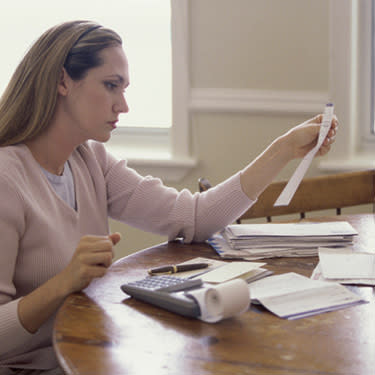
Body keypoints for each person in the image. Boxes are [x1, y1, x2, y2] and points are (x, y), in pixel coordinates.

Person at [0, 20, 337, 374]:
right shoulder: (7, 179)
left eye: (124, 88)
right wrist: (63, 283)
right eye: (111, 86)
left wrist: (282, 150)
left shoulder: (90, 160)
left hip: (91, 353)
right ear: (63, 81)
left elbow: (193, 218)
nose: (123, 106)